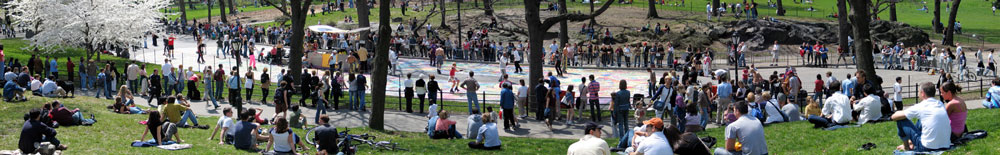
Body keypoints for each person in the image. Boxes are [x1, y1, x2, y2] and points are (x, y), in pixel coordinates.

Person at [889, 82, 952, 151]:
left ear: (922, 93)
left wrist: (892, 116)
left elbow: (895, 117)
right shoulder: (940, 103)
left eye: (919, 92)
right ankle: (911, 143)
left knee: (901, 120)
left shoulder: (921, 106)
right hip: (945, 145)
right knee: (921, 121)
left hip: (927, 147)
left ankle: (906, 147)